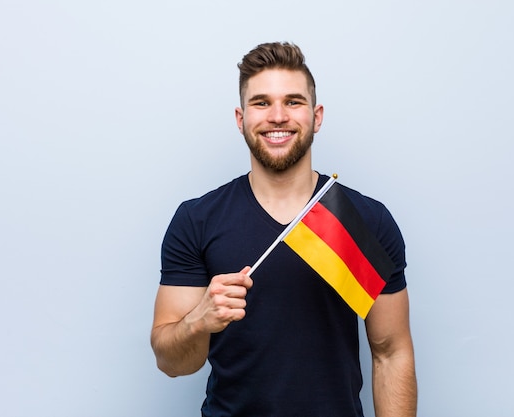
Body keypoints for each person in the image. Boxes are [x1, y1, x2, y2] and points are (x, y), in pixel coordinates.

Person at [151, 42, 417, 417]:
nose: (277, 116)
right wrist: (199, 320)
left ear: (317, 116)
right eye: (261, 103)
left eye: (293, 102)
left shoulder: (366, 221)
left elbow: (392, 353)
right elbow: (172, 363)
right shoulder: (197, 220)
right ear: (241, 118)